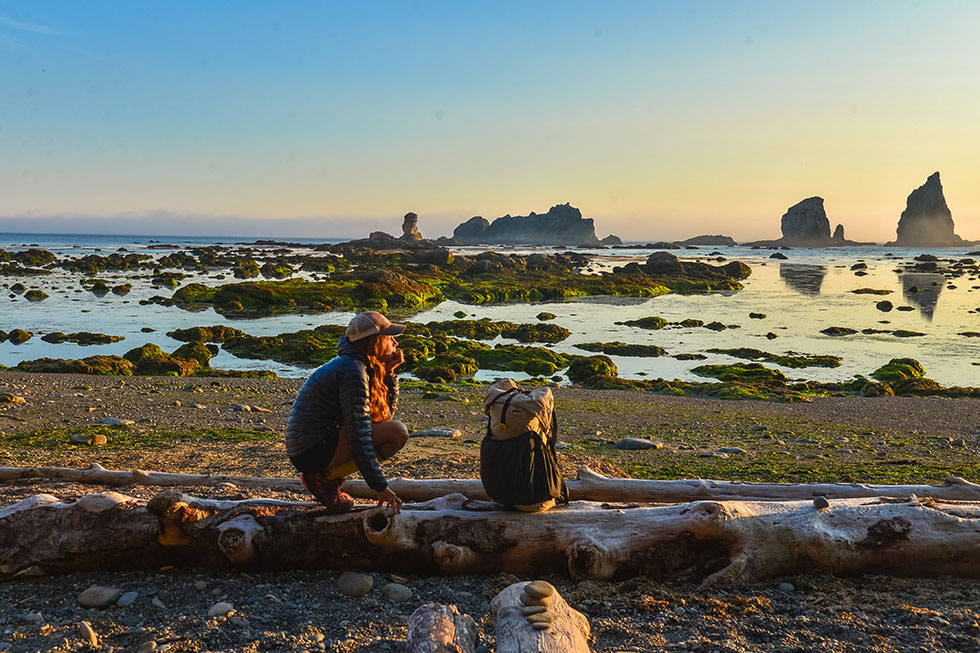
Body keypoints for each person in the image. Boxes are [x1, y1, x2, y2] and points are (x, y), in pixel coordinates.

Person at [286, 311, 409, 513]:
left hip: (315, 445)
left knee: (393, 432)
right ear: (374, 341)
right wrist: (380, 487)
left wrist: (390, 374)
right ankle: (323, 478)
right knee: (397, 433)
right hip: (310, 448)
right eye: (389, 337)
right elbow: (359, 436)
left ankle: (325, 478)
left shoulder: (359, 365)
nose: (395, 342)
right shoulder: (352, 370)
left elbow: (383, 419)